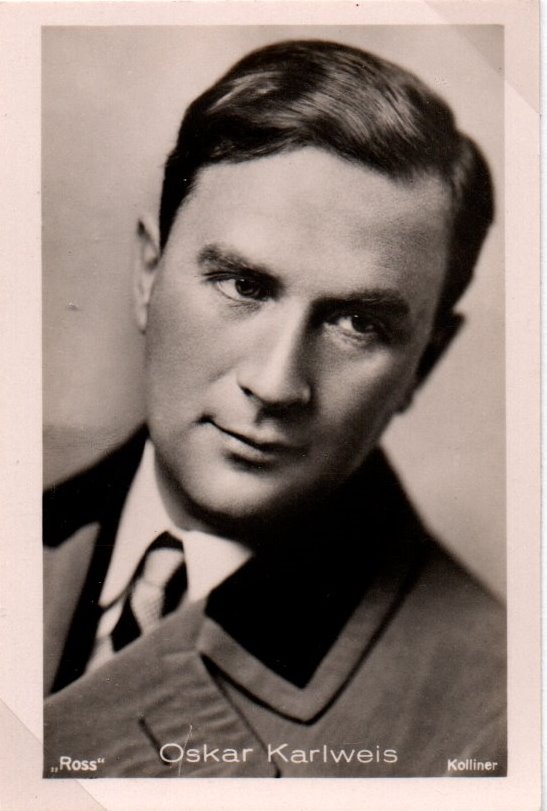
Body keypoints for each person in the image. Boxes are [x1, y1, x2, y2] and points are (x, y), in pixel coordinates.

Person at [43, 39, 505, 778]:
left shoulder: (497, 721)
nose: (275, 382)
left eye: (358, 323)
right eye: (244, 285)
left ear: (425, 361)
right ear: (148, 273)